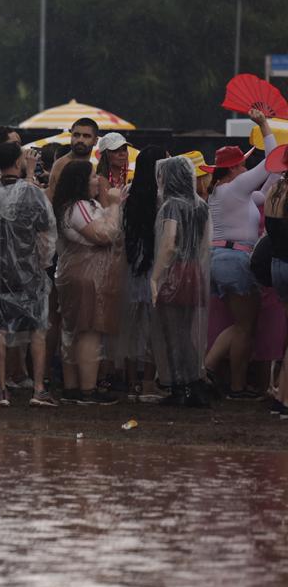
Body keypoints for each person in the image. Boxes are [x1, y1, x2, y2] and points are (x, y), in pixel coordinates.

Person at [0, 142, 58, 408]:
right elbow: (46, 234)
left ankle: (1, 389)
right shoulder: (34, 195)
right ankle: (38, 388)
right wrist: (41, 264)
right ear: (19, 162)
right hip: (29, 272)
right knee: (37, 330)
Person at [203, 108, 278, 400]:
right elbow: (270, 164)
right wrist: (264, 125)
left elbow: (268, 188)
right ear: (234, 168)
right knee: (244, 325)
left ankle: (235, 387)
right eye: (244, 165)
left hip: (221, 259)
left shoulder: (224, 192)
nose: (247, 169)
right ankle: (206, 368)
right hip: (235, 260)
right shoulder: (235, 187)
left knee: (242, 326)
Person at [52, 159, 123, 405]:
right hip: (86, 275)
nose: (97, 180)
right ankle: (88, 390)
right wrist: (114, 205)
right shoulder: (79, 206)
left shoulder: (72, 206)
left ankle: (73, 387)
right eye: (93, 176)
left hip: (77, 272)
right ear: (81, 181)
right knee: (89, 330)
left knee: (74, 330)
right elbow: (104, 235)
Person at [150, 156, 212, 408]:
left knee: (172, 333)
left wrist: (156, 277)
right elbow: (206, 244)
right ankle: (193, 383)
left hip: (174, 272)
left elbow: (168, 243)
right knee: (188, 333)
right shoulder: (201, 206)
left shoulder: (171, 206)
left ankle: (180, 388)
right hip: (194, 270)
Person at [118, 146, 168, 400]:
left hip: (131, 263)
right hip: (154, 264)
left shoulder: (128, 193)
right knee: (153, 326)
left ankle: (131, 382)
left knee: (131, 325)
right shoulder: (163, 198)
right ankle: (149, 382)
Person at [46, 117, 98, 200]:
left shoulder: (88, 166)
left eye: (86, 136)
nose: (80, 140)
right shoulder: (63, 165)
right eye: (76, 135)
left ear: (95, 141)